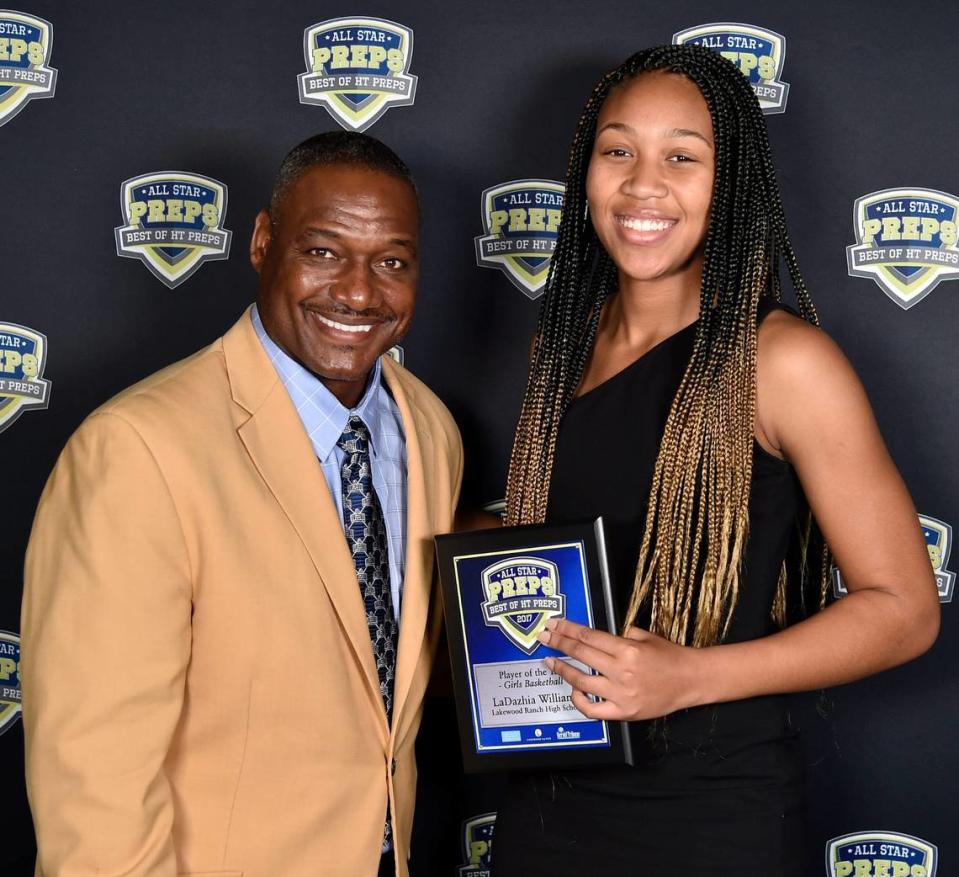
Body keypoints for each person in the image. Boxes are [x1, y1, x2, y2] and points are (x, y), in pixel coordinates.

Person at [493, 44, 939, 876]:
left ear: (728, 183)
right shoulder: (556, 350)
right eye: (617, 150)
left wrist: (687, 677)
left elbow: (905, 609)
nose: (642, 185)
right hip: (544, 804)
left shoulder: (783, 362)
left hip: (709, 813)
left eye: (682, 158)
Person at [22, 131, 463, 877]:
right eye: (322, 252)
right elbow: (92, 779)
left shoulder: (428, 428)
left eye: (390, 261)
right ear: (263, 242)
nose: (358, 291)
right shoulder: (137, 449)